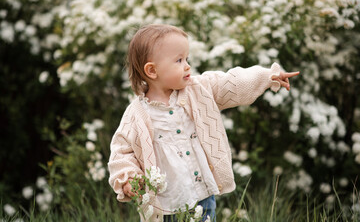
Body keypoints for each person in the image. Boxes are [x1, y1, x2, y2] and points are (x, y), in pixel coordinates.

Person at [108, 24, 300, 222]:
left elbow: (231, 83)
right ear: (152, 70)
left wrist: (267, 76)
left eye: (187, 59)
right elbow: (122, 152)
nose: (187, 66)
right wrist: (129, 179)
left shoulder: (198, 89)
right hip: (164, 207)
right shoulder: (137, 114)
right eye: (179, 60)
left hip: (202, 197)